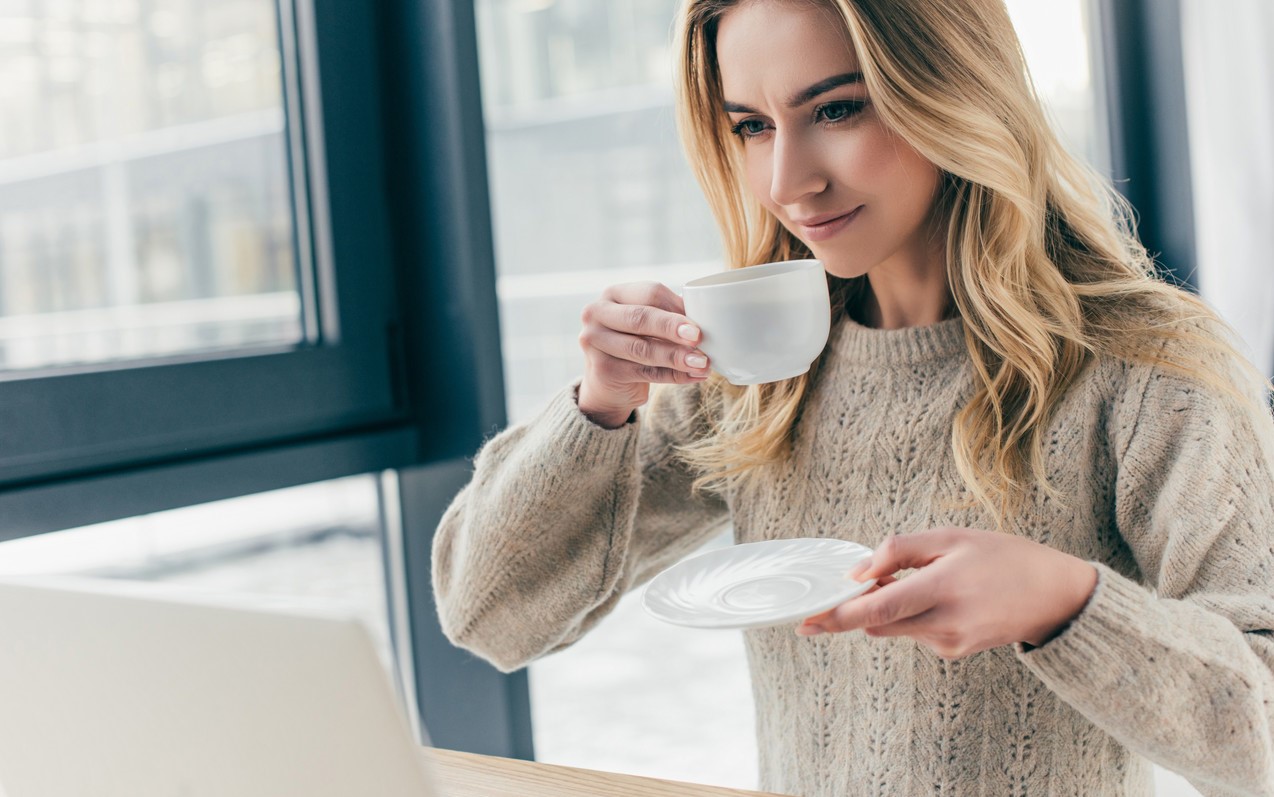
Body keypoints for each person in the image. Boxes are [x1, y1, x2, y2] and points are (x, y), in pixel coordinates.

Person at [431, 0, 1274, 794]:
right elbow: (489, 614)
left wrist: (1063, 602)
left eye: (837, 110)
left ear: (952, 86)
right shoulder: (762, 371)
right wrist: (599, 405)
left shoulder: (1142, 365)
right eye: (753, 127)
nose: (788, 182)